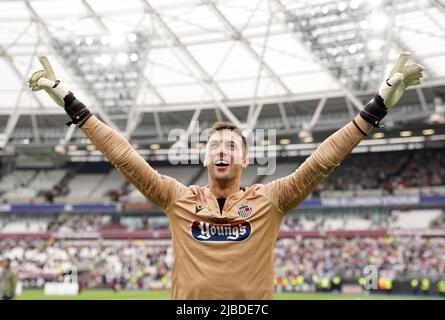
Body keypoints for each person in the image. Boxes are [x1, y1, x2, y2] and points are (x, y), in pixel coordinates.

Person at [27, 54, 424, 299]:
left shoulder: (272, 199)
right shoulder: (175, 197)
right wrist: (68, 101)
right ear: (203, 156)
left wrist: (376, 106)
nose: (221, 150)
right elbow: (125, 157)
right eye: (214, 145)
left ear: (245, 159)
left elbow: (320, 162)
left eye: (231, 146)